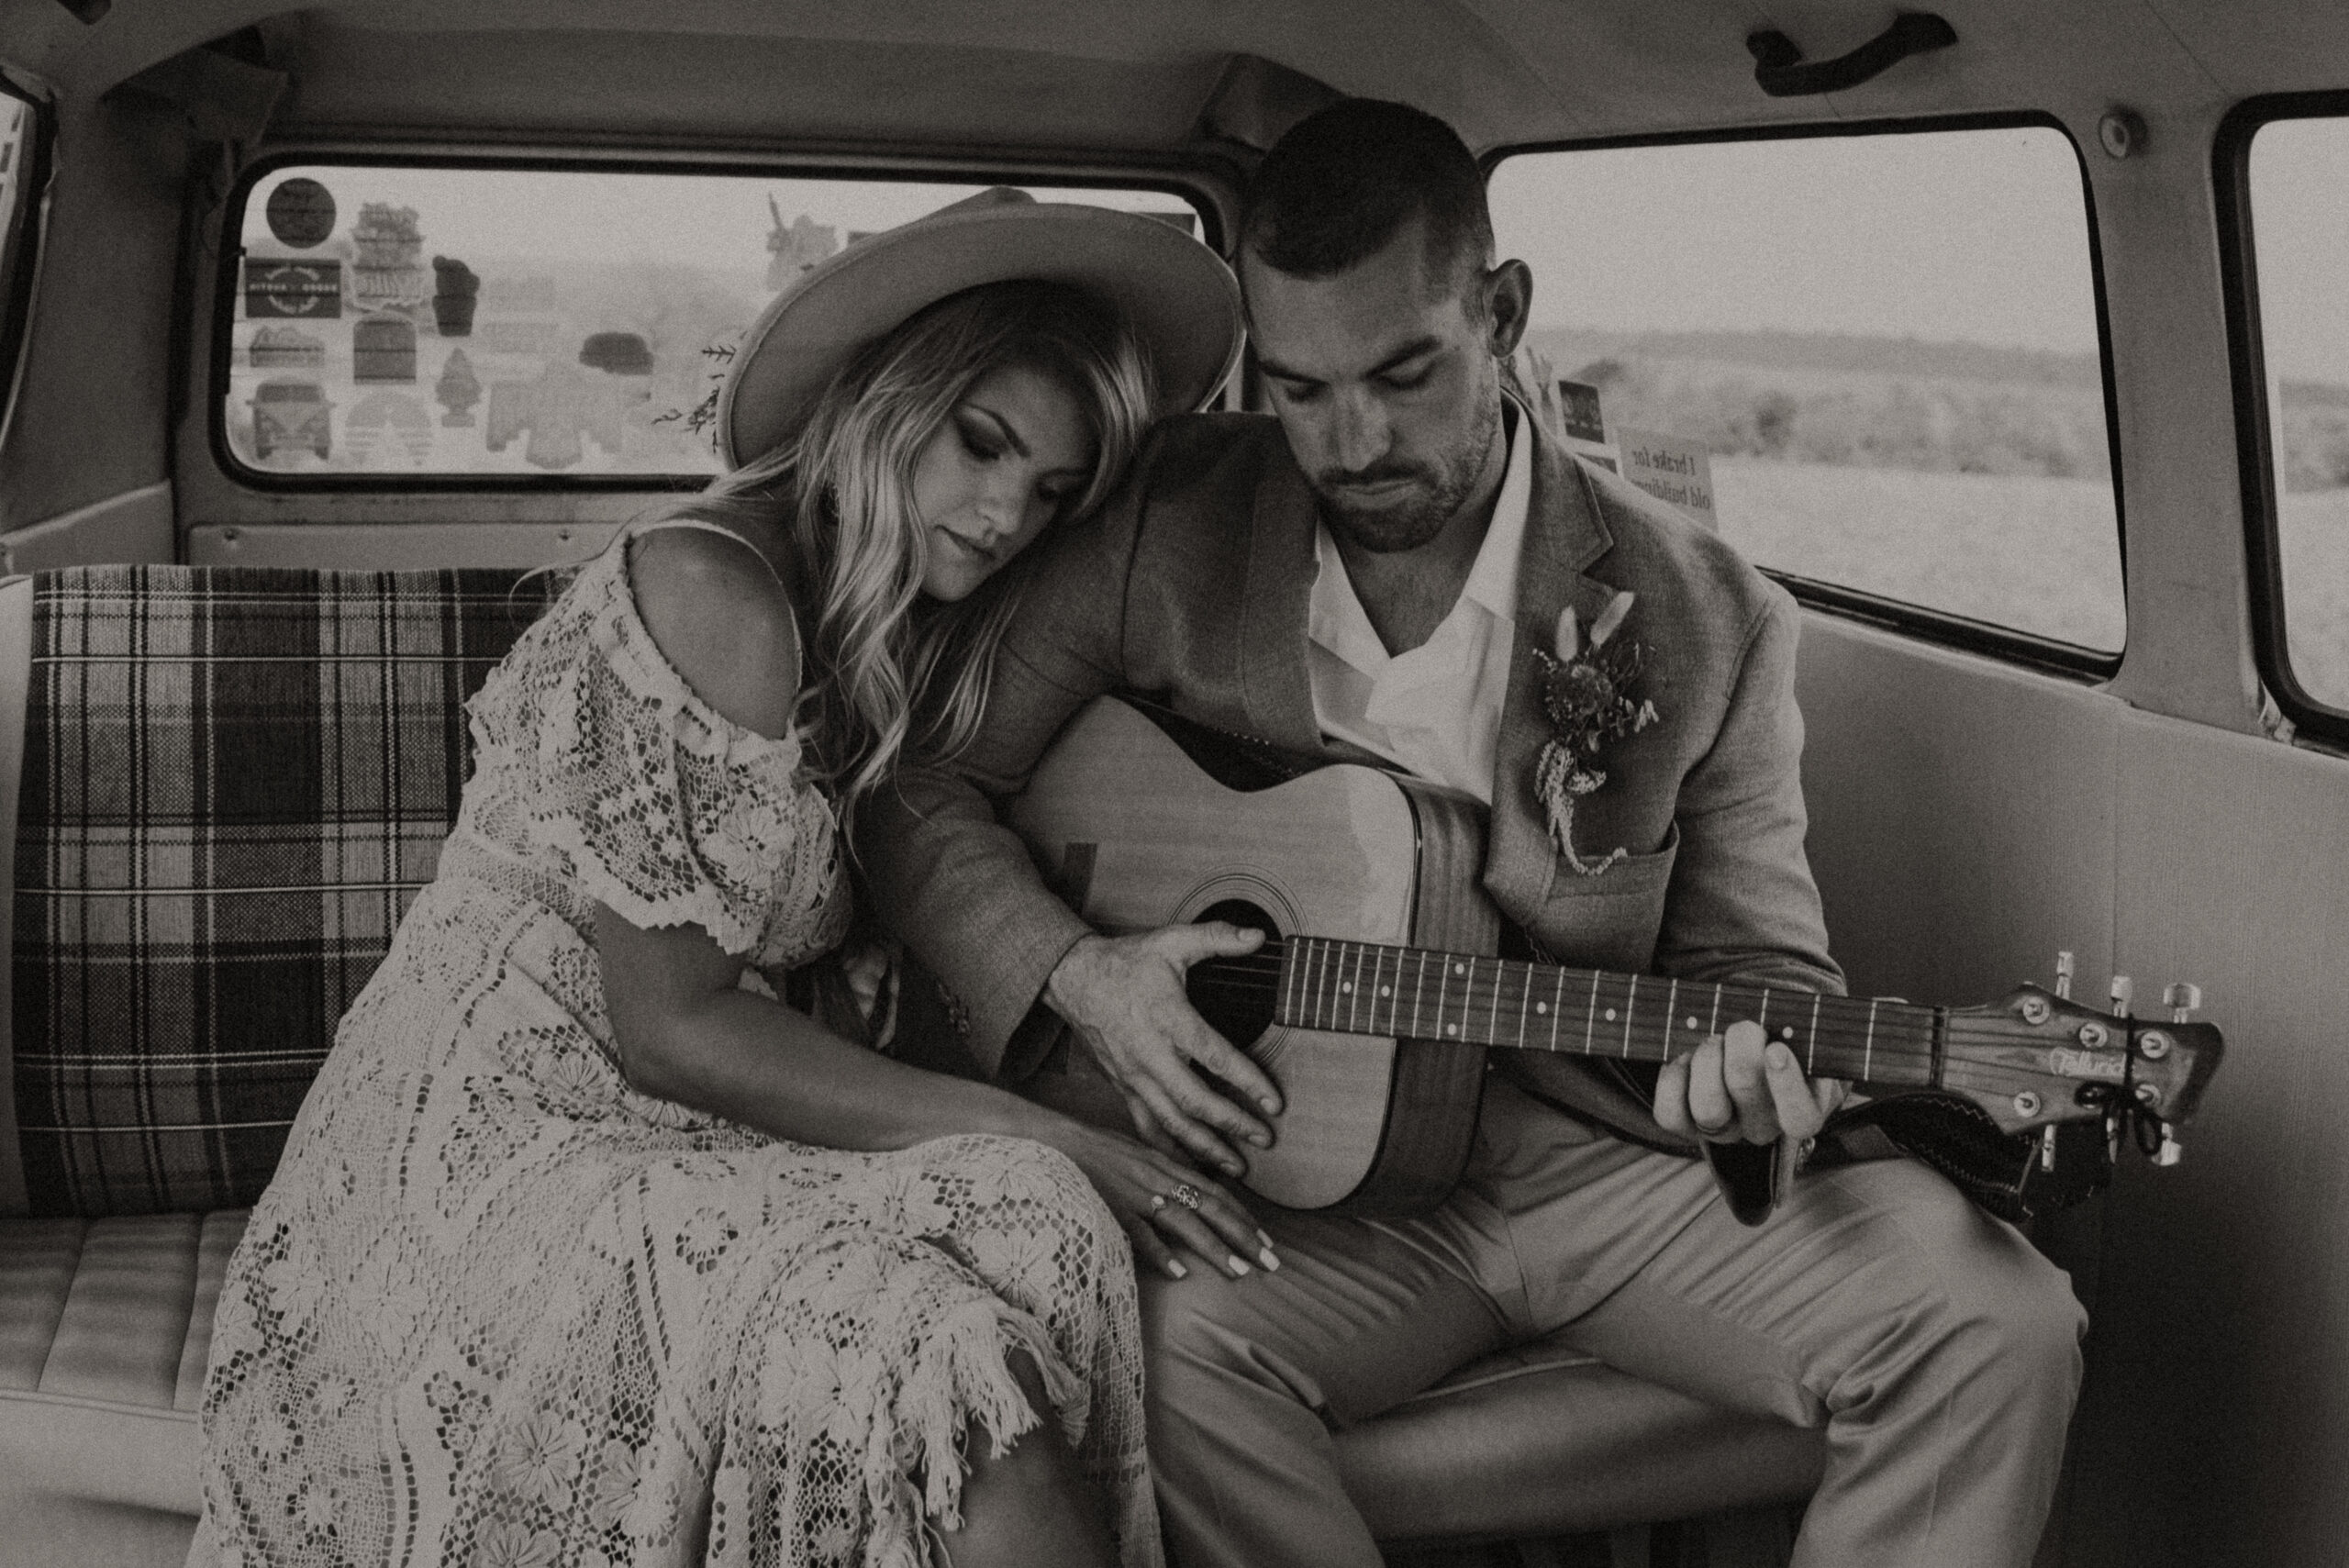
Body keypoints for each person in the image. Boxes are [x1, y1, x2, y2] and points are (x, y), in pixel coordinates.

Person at [860, 104, 2087, 1567]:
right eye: (1300, 389)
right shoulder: (1161, 520)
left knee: (2001, 1323)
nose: (1353, 440)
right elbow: (920, 787)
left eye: (1403, 371)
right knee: (1154, 1351)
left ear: (1500, 313)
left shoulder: (1706, 611)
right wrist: (1079, 974)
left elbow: (1765, 969)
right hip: (1299, 1180)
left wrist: (1754, 1089)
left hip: (1606, 1151)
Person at [196, 189, 1258, 1568]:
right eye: (982, 443)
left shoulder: (871, 617)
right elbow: (674, 1022)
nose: (1004, 514)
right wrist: (1041, 1123)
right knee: (947, 1339)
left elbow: (752, 924)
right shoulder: (716, 589)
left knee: (1039, 1223)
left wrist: (847, 963)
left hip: (657, 1123)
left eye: (1050, 491)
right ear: (891, 397)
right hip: (502, 1142)